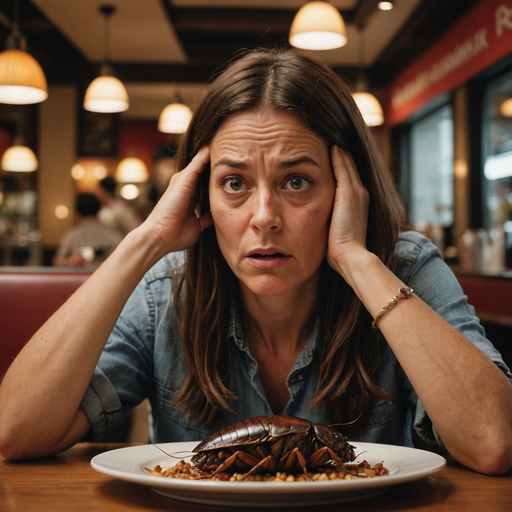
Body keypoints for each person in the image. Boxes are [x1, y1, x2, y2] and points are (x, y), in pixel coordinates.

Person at [1, 48, 511, 475]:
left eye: (297, 181)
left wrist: (356, 260)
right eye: (234, 183)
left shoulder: (403, 268)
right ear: (200, 195)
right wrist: (145, 241)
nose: (264, 217)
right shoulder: (165, 293)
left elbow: (495, 441)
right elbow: (13, 430)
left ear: (346, 189)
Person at [53, 193, 122, 267]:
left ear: (77, 214)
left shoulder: (72, 235)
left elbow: (58, 261)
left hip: (79, 277)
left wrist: (71, 261)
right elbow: (120, 262)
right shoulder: (113, 235)